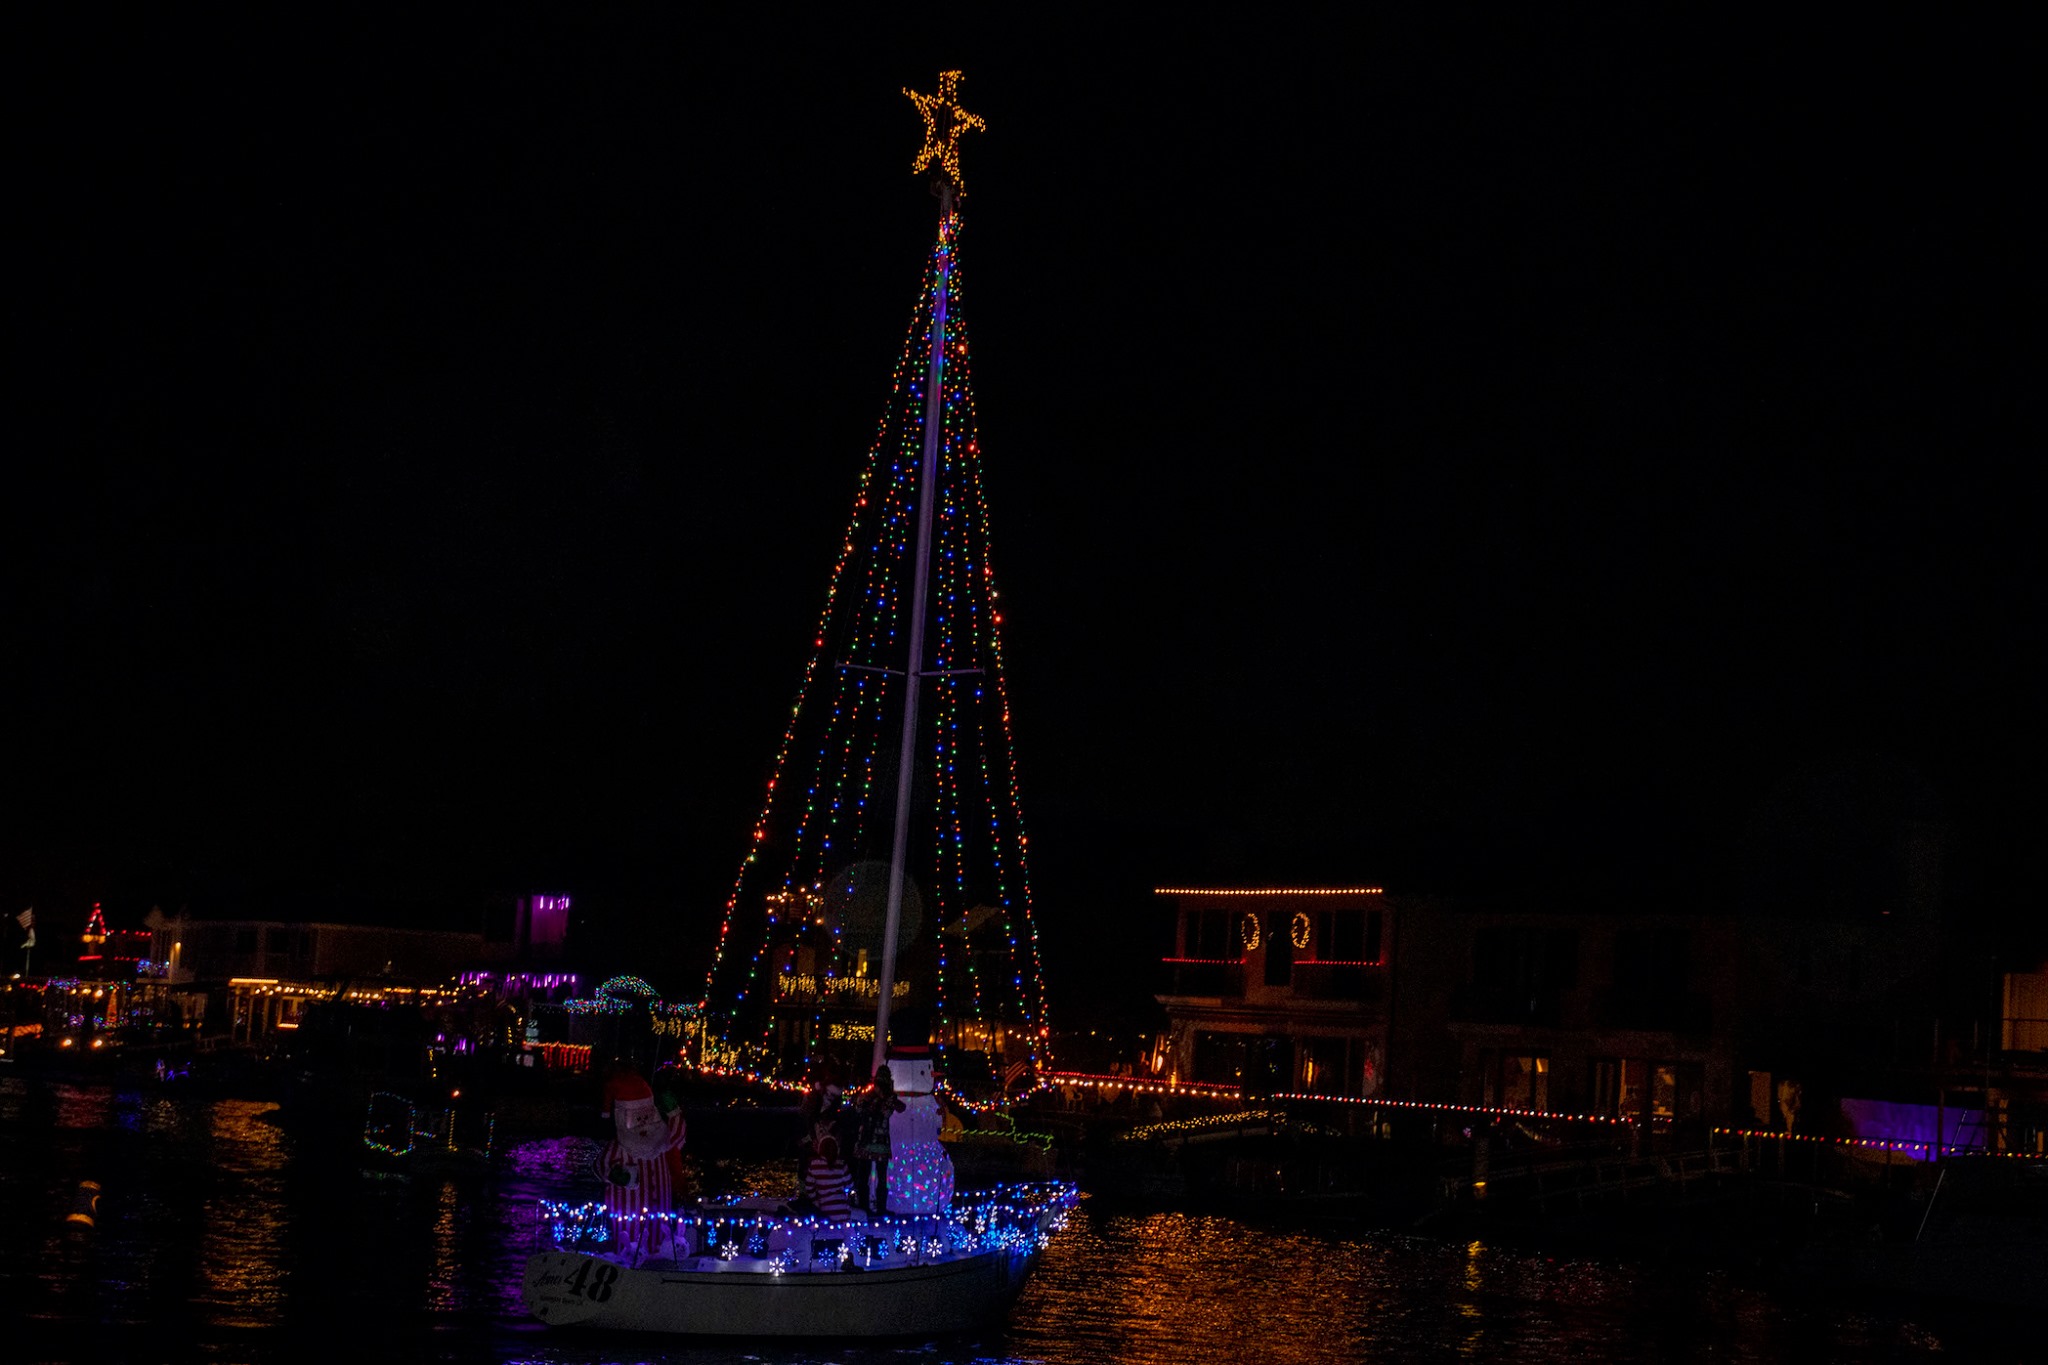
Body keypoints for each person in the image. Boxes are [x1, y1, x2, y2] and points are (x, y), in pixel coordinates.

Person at [851, 1065, 906, 1215]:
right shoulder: (874, 1097)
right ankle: (870, 1206)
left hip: (872, 1140)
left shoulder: (874, 1097)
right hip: (873, 1140)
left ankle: (869, 1206)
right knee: (871, 1175)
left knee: (874, 1176)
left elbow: (898, 1108)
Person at [806, 1131, 853, 1223]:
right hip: (843, 1208)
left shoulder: (814, 1165)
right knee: (863, 1216)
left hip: (824, 1208)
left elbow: (809, 1187)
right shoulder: (841, 1164)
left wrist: (816, 1201)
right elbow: (850, 1185)